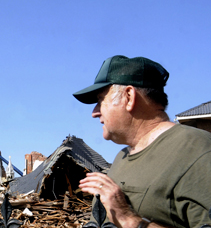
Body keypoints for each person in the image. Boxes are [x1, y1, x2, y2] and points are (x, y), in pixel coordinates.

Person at [73, 55, 211, 228]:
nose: (95, 112)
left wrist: (130, 220)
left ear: (129, 97)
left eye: (101, 100)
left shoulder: (197, 150)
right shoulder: (121, 157)